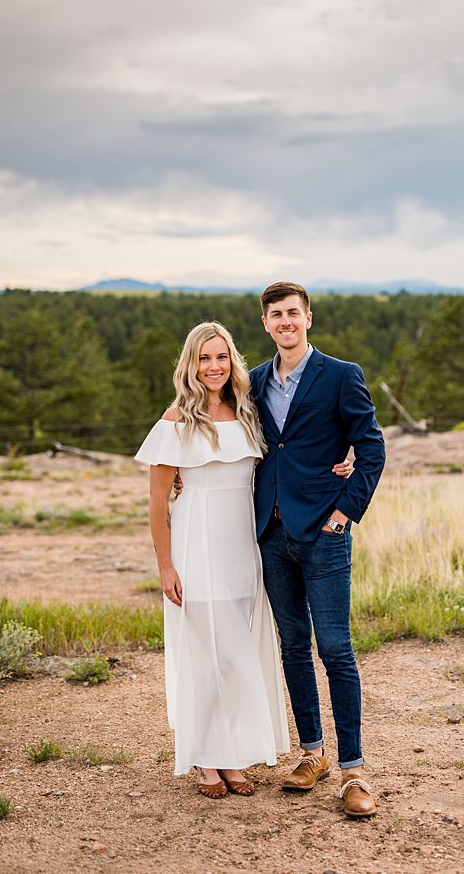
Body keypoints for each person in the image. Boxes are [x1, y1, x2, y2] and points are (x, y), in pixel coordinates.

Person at [249, 280, 387, 818]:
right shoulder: (254, 381)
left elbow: (371, 447)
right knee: (292, 647)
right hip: (272, 534)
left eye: (293, 314)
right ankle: (312, 754)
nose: (285, 322)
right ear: (266, 324)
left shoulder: (341, 375)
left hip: (324, 534)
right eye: (275, 316)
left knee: (335, 648)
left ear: (309, 319)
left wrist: (344, 513)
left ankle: (353, 773)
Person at [137, 321, 293, 798]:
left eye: (221, 357)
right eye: (204, 358)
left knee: (234, 656)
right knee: (209, 657)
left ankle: (231, 756)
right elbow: (158, 502)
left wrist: (342, 463)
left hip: (242, 550)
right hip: (195, 548)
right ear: (191, 364)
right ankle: (206, 760)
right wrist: (166, 567)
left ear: (233, 362)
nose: (213, 367)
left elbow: (281, 462)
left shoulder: (247, 414)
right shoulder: (176, 421)